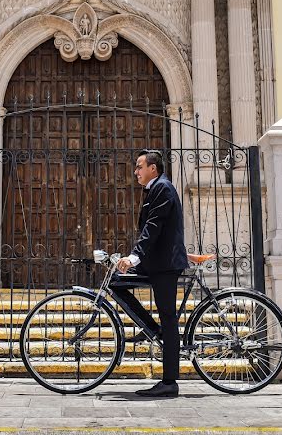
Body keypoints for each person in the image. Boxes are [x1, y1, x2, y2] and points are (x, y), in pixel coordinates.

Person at [112, 149, 188, 398]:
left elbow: (154, 226)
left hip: (164, 265)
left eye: (139, 166)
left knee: (168, 318)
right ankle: (154, 330)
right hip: (156, 262)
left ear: (153, 168)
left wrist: (134, 256)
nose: (136, 172)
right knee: (117, 283)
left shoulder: (163, 188)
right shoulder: (155, 189)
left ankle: (169, 382)